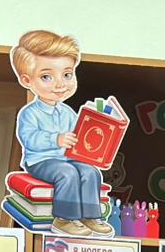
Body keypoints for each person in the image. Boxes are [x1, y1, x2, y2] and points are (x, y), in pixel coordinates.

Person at [9, 30, 114, 238]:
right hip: (41, 160)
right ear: (27, 80)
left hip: (67, 158)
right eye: (46, 77)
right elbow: (29, 138)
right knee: (67, 173)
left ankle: (90, 216)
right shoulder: (30, 113)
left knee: (90, 172)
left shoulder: (67, 112)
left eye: (67, 75)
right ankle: (64, 218)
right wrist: (56, 139)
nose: (60, 84)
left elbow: (78, 136)